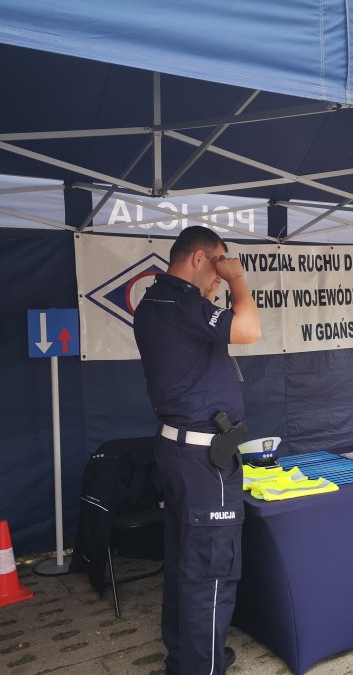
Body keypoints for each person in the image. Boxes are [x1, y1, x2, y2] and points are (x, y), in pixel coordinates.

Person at [133, 226, 262, 675]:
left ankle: (187, 659)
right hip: (203, 460)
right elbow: (248, 329)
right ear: (199, 258)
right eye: (218, 264)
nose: (219, 277)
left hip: (178, 451)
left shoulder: (155, 301)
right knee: (210, 571)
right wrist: (239, 281)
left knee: (185, 563)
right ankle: (202, 667)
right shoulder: (183, 303)